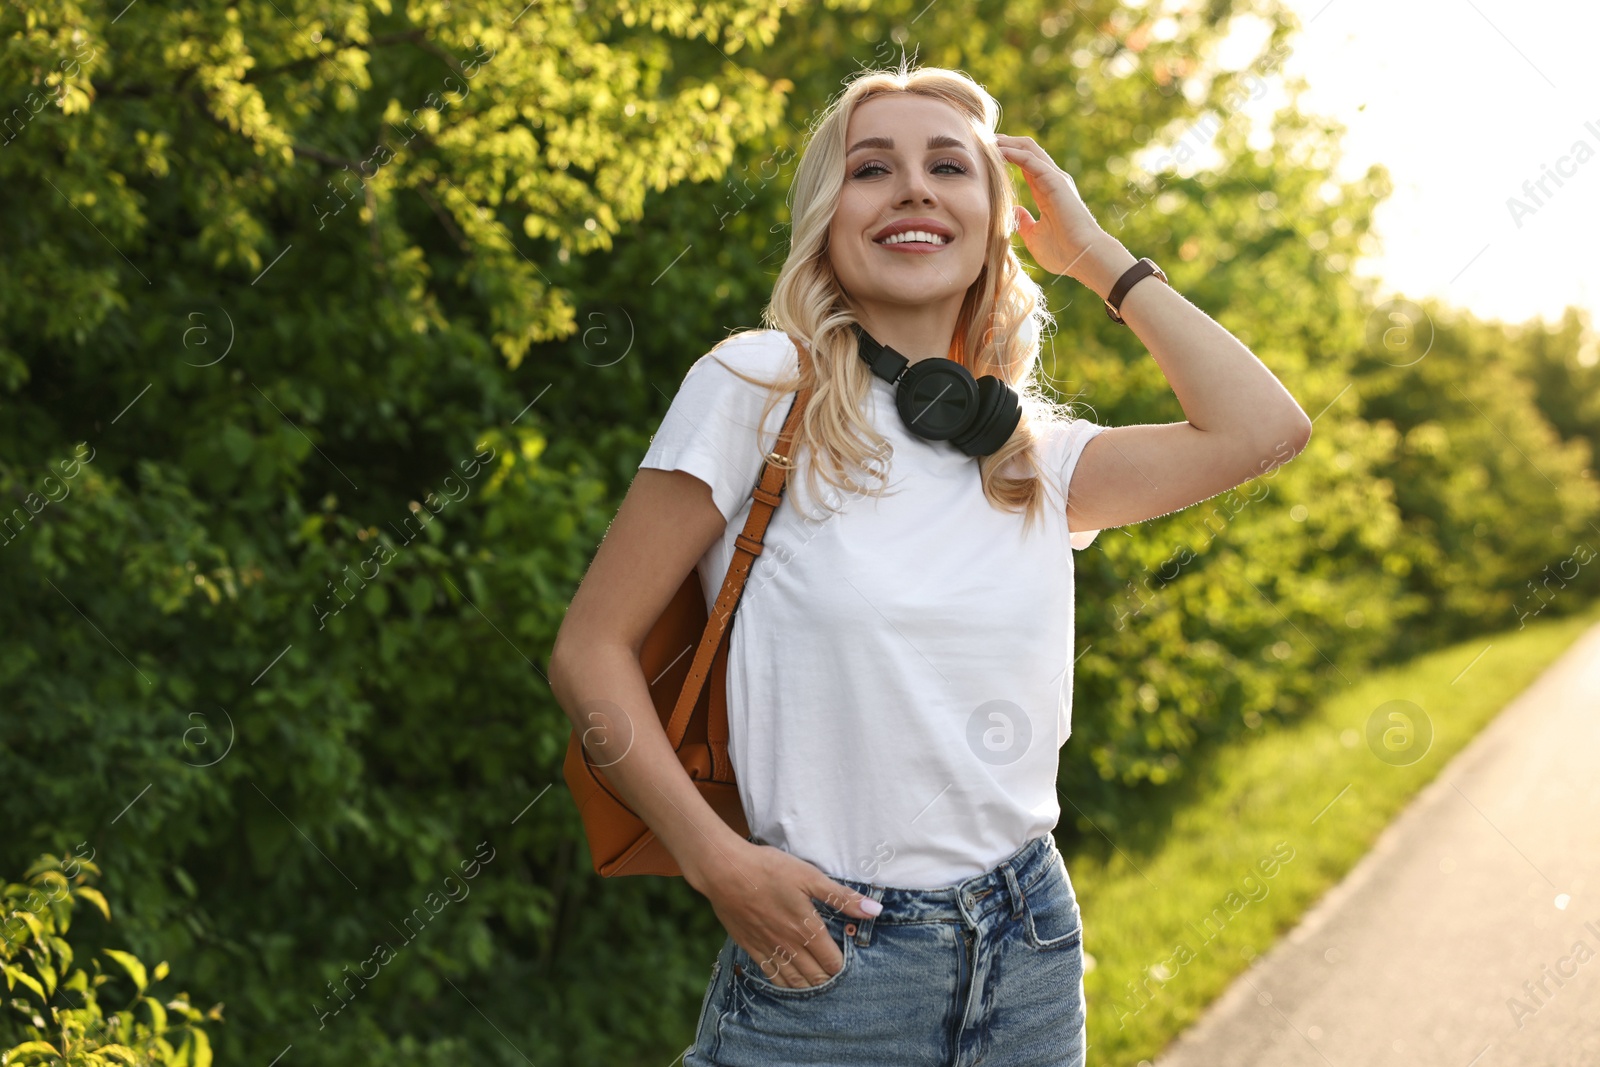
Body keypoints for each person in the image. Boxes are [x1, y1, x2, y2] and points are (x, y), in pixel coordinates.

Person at [549, 62, 1312, 1067]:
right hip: (828, 950)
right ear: (828, 215)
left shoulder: (1029, 453)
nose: (912, 187)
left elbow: (1264, 430)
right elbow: (588, 649)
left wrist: (1095, 256)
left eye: (949, 165)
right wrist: (715, 859)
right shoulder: (754, 387)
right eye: (872, 168)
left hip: (1030, 938)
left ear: (994, 219)